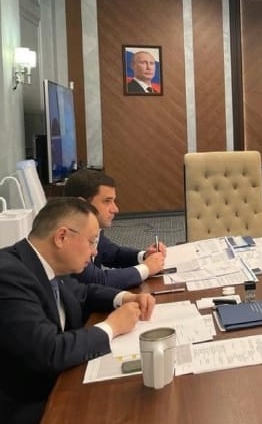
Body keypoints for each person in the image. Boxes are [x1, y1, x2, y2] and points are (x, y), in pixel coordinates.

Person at [0, 197, 155, 424]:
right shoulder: (8, 275)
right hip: (28, 404)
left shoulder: (45, 264)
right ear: (62, 237)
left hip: (61, 382)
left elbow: (83, 293)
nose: (94, 252)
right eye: (91, 242)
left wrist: (124, 297)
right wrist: (112, 326)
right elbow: (49, 351)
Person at [64, 169, 166, 289]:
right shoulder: (69, 237)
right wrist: (147, 268)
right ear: (81, 204)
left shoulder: (91, 229)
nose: (115, 209)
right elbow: (97, 280)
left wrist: (145, 256)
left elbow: (114, 254)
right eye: (107, 201)